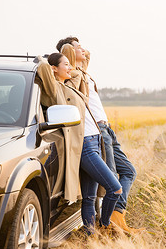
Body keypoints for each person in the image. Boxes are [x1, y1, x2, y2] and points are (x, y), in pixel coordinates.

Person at [57, 37, 142, 234]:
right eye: (78, 47)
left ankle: (114, 216)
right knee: (110, 180)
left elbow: (87, 56)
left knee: (128, 171)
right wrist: (69, 52)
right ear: (68, 54)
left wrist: (79, 52)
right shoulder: (75, 76)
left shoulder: (84, 72)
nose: (83, 49)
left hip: (104, 128)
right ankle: (110, 224)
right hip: (95, 133)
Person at [35, 53, 122, 235]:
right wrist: (43, 60)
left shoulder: (69, 86)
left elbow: (78, 71)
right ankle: (104, 226)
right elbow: (43, 67)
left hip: (95, 141)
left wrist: (67, 66)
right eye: (65, 64)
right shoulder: (54, 89)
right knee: (115, 189)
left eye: (69, 64)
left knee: (89, 198)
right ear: (54, 69)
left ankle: (90, 235)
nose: (70, 67)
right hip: (85, 146)